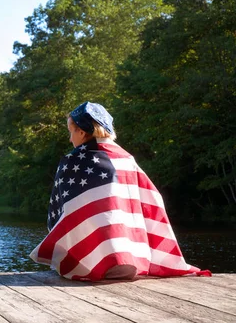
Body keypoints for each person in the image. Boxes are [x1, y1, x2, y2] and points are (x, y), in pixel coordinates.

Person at [30, 101, 211, 281]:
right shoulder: (127, 159)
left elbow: (60, 211)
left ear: (82, 131)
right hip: (133, 261)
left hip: (88, 265)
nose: (70, 139)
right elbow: (151, 200)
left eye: (71, 132)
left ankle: (96, 262)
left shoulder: (73, 161)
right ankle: (121, 257)